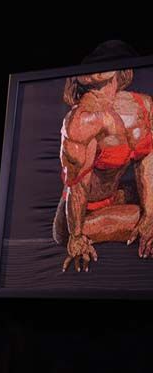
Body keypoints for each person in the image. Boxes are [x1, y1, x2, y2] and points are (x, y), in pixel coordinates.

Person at [53, 44, 153, 273]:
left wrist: (150, 213)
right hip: (79, 217)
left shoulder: (143, 105)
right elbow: (78, 187)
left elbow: (147, 158)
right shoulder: (82, 120)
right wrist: (76, 236)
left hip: (115, 197)